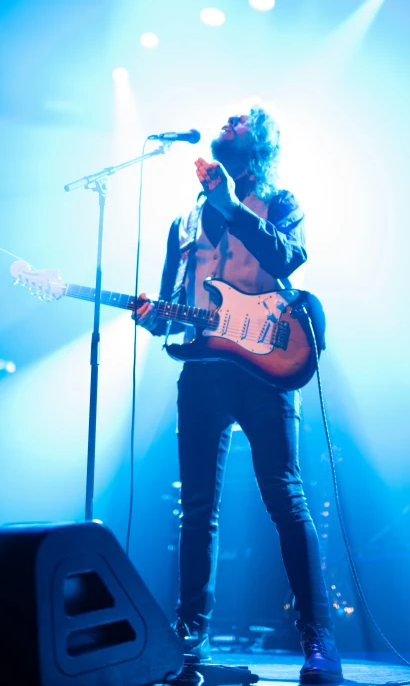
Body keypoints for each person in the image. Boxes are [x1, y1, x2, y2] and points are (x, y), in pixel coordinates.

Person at [134, 105, 343, 684]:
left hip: (267, 362)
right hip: (201, 364)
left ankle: (319, 642)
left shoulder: (281, 202)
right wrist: (154, 315)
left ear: (259, 146)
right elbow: (174, 296)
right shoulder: (183, 220)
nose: (225, 124)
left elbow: (288, 257)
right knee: (196, 506)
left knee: (285, 497)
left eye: (238, 122)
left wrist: (230, 207)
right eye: (225, 121)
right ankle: (189, 638)